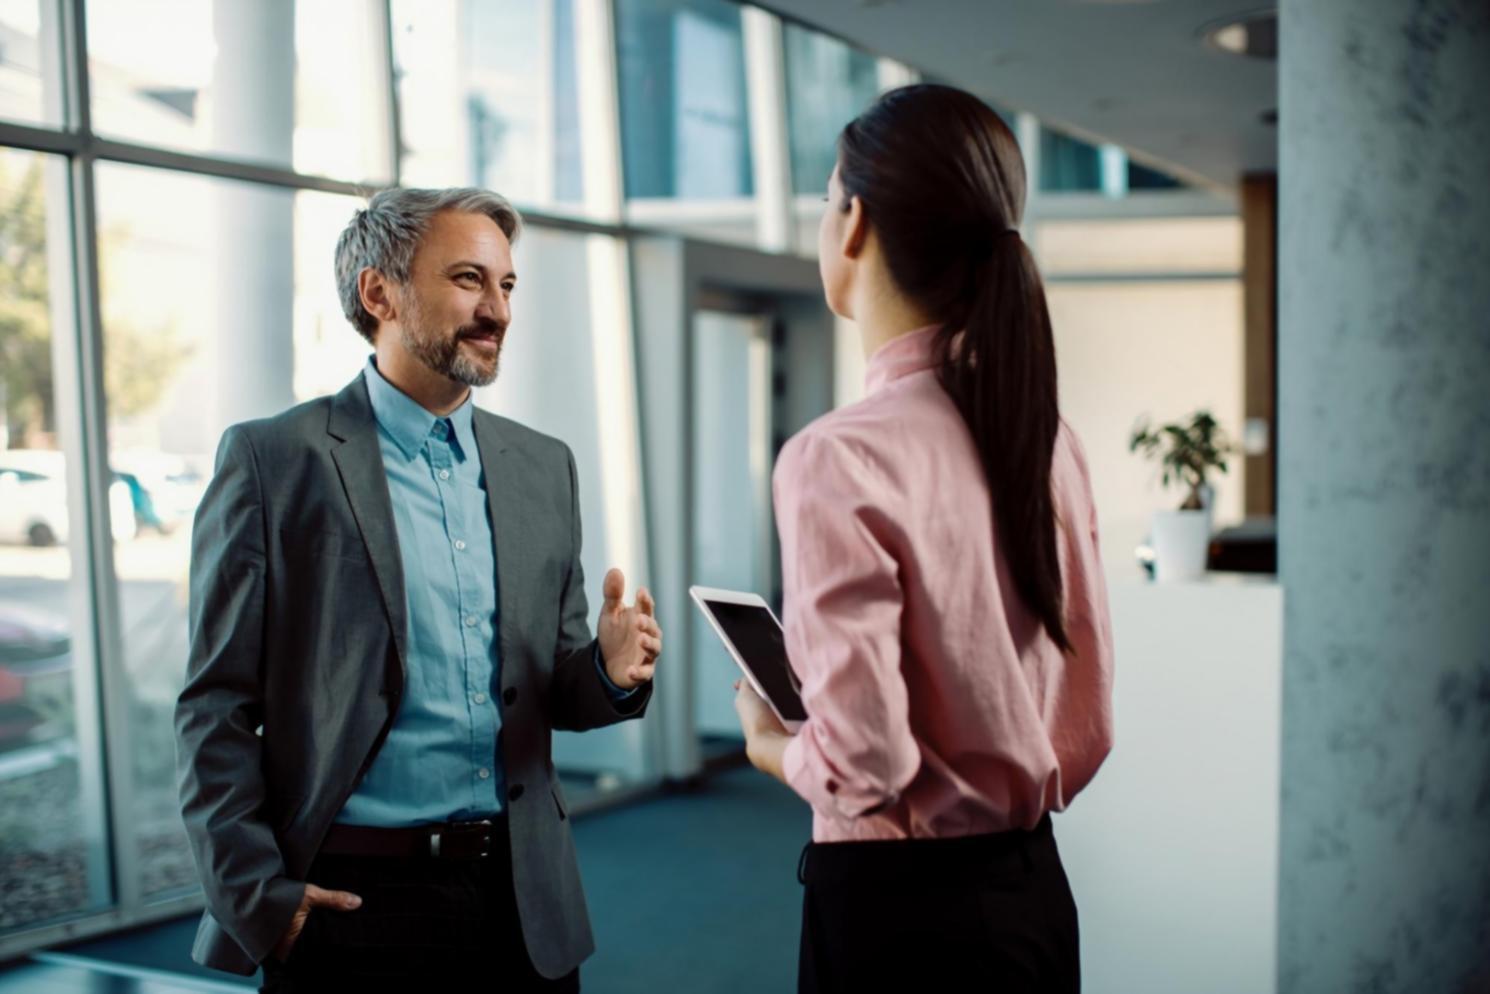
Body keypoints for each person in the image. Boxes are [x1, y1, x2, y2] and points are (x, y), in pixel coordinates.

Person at [175, 187, 662, 992]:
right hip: (354, 909)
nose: (497, 309)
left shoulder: (543, 466)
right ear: (380, 294)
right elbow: (215, 706)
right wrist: (260, 899)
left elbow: (556, 693)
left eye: (507, 286)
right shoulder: (276, 461)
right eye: (469, 279)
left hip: (523, 904)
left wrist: (610, 670)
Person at [732, 84, 1114, 993]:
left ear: (853, 220)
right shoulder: (1049, 437)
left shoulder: (837, 457)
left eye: (828, 198)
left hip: (900, 918)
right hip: (1030, 894)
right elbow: (1087, 731)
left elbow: (866, 764)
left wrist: (770, 745)